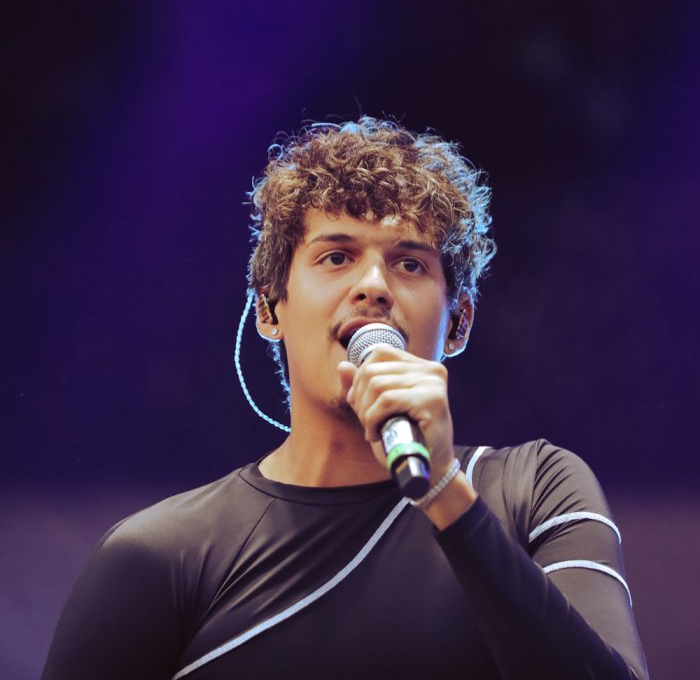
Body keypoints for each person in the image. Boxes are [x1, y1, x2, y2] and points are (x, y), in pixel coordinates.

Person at [42, 117, 649, 679]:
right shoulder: (158, 555)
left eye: (409, 265)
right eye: (336, 257)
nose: (373, 286)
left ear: (459, 322)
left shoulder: (537, 489)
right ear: (269, 309)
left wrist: (445, 493)